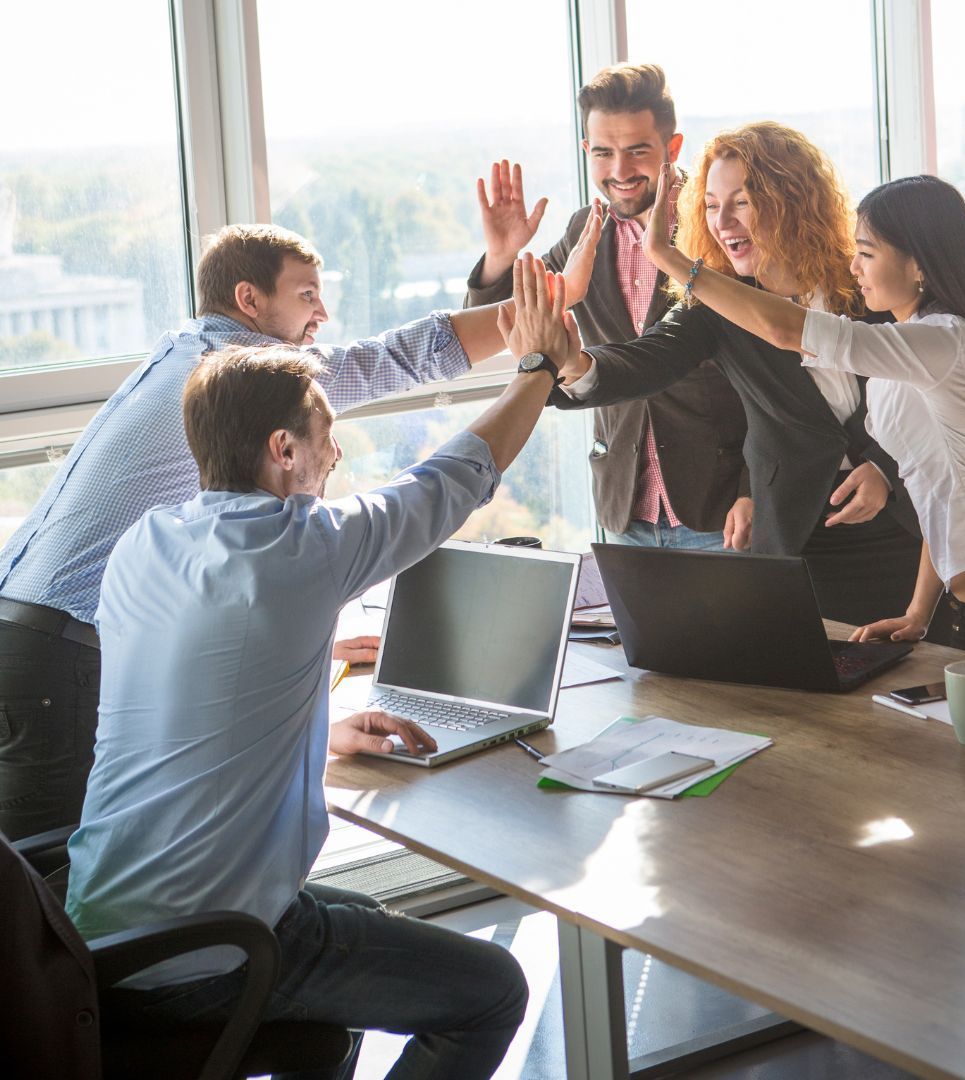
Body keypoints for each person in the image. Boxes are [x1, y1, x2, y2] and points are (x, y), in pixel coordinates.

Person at [64, 253, 580, 1079]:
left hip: (101, 936)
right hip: (210, 957)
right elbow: (453, 478)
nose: (334, 460)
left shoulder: (147, 543)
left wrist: (321, 729)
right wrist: (539, 369)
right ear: (283, 449)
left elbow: (190, 700)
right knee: (492, 990)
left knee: (365, 916)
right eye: (327, 441)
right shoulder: (299, 548)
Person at [0, 221, 599, 840]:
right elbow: (395, 364)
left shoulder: (186, 351)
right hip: (59, 654)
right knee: (46, 909)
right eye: (306, 295)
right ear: (249, 300)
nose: (322, 314)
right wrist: (547, 313)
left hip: (29, 630)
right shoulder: (239, 378)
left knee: (55, 884)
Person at [639, 168, 965, 673]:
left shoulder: (943, 341)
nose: (853, 267)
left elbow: (788, 329)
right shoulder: (908, 347)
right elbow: (937, 493)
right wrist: (918, 612)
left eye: (867, 253)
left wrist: (673, 261)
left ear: (919, 265)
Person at [554, 121, 931, 629]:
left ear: (792, 200)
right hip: (798, 535)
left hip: (906, 528)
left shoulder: (865, 278)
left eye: (743, 202)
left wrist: (885, 466)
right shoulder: (716, 303)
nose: (723, 223)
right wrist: (574, 364)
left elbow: (932, 389)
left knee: (914, 690)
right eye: (710, 205)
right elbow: (644, 360)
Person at [466, 63, 749, 550]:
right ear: (587, 152)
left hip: (720, 510)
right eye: (604, 153)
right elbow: (501, 326)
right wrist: (500, 256)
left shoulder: (717, 228)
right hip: (626, 509)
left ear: (672, 149)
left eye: (637, 151)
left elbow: (775, 375)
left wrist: (753, 489)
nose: (619, 171)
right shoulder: (584, 232)